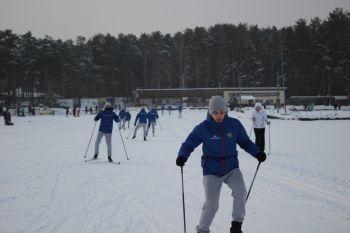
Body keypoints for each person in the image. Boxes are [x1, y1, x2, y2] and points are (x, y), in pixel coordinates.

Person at [176, 96, 266, 233]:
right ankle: (202, 230)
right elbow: (189, 143)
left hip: (231, 168)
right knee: (212, 204)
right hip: (211, 170)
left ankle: (236, 225)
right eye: (215, 112)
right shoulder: (203, 128)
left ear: (226, 111)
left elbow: (245, 142)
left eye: (221, 112)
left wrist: (257, 153)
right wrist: (182, 156)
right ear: (210, 112)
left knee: (240, 191)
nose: (218, 116)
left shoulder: (234, 124)